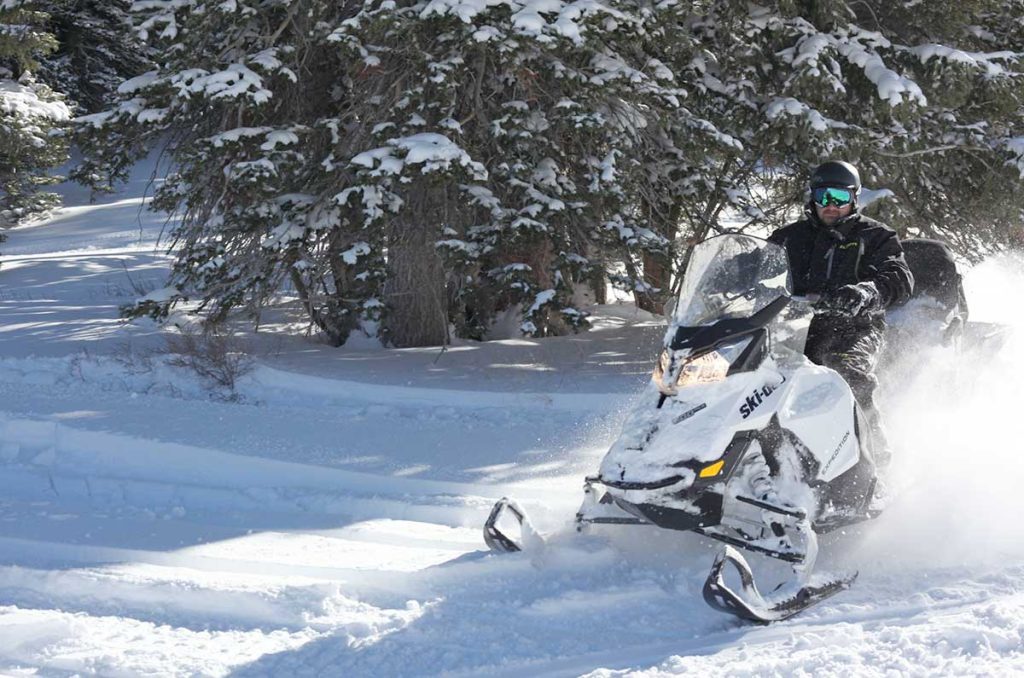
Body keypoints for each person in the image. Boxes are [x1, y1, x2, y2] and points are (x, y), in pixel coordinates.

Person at [768, 160, 914, 464]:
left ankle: (875, 460)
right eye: (823, 196)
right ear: (812, 198)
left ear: (854, 198)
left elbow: (899, 277)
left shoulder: (875, 237)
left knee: (845, 371)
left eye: (839, 197)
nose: (830, 205)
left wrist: (867, 292)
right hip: (792, 328)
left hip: (855, 328)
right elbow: (752, 267)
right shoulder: (788, 238)